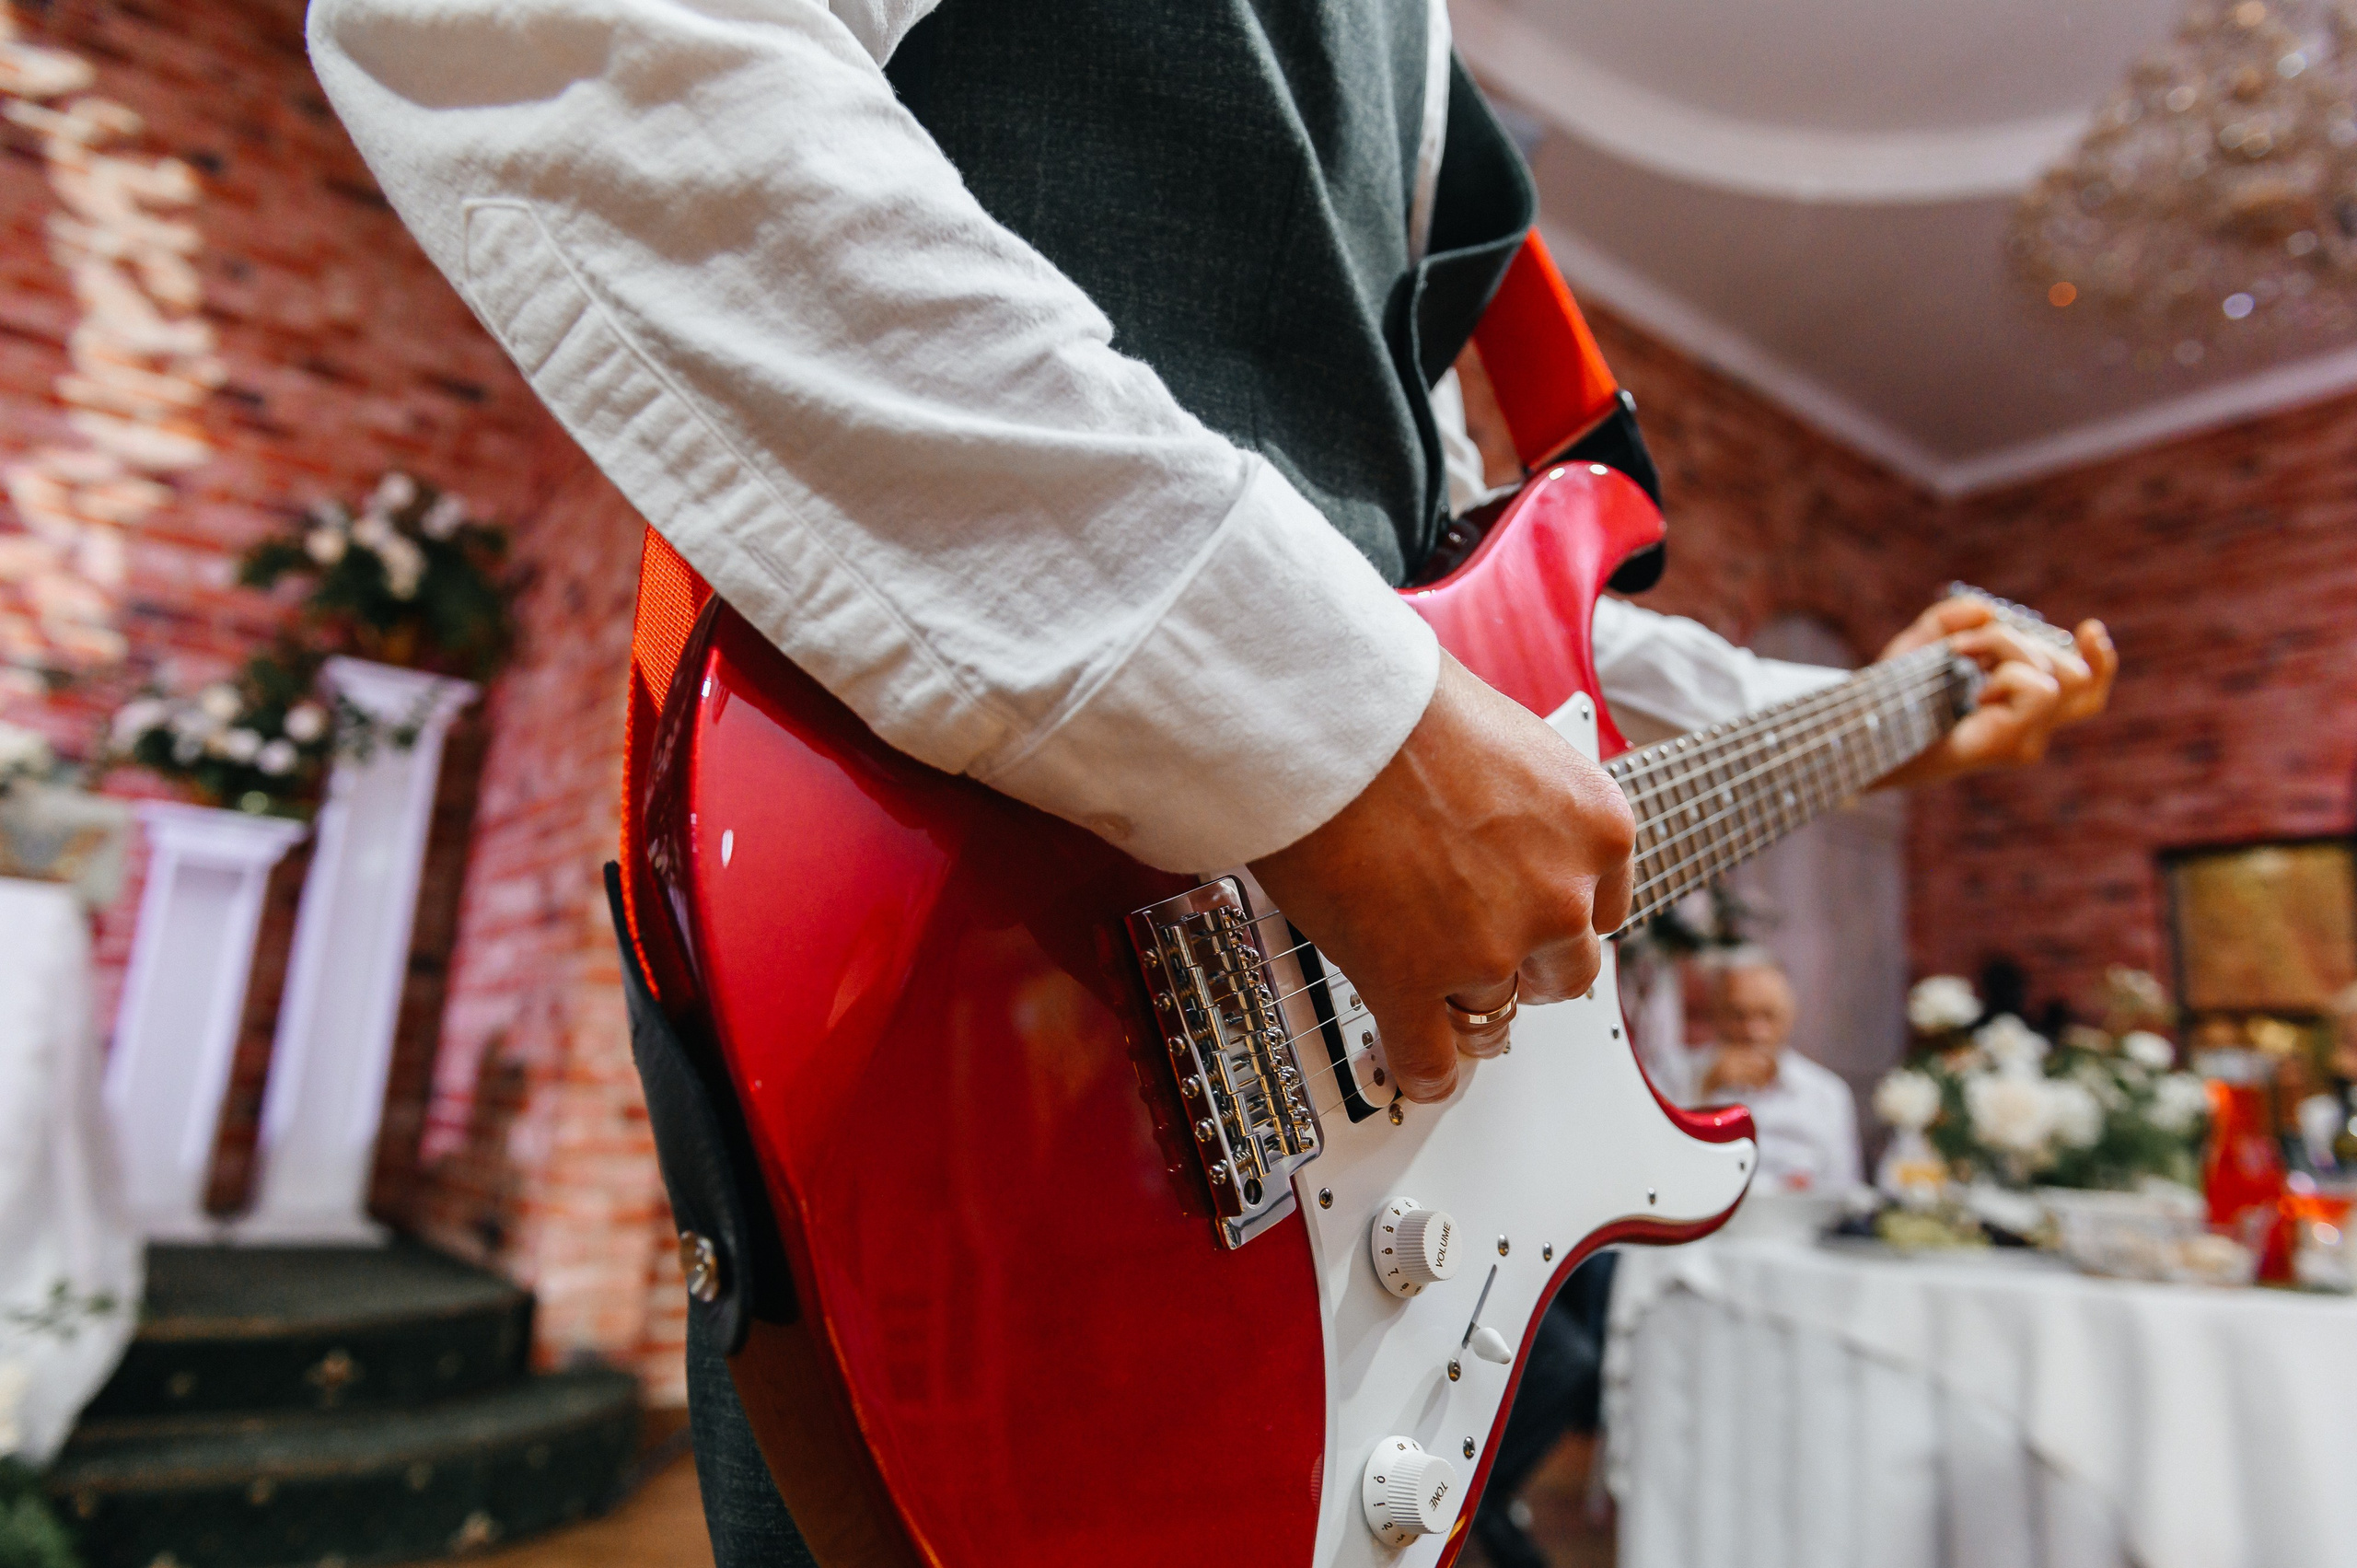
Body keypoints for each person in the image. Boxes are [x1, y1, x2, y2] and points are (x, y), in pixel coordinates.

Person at [307, 1, 2117, 1559]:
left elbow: (1467, 611)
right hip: (995, 1032)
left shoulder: (1422, 84)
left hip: (1383, 1255)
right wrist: (1327, 731)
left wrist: (1879, 703)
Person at [1695, 947, 1862, 1191]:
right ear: (1716, 1014)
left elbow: (1844, 1190)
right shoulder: (1674, 1075)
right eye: (1738, 1015)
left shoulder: (1827, 1093)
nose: (1753, 1031)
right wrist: (1704, 1087)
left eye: (1768, 1015)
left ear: (1790, 1015)